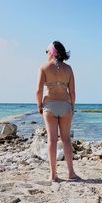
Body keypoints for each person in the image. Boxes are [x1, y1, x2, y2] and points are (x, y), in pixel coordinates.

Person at [36, 41, 80, 182]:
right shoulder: (69, 69)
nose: (46, 53)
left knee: (52, 140)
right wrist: (72, 106)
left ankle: (53, 175)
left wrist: (39, 105)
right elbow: (72, 91)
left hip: (50, 106)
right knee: (66, 139)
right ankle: (71, 173)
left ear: (52, 52)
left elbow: (38, 90)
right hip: (65, 105)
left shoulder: (43, 67)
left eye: (47, 51)